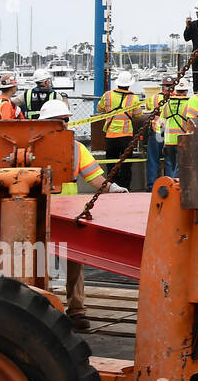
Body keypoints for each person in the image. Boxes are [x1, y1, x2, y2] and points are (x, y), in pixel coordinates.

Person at [40, 99, 127, 331]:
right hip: (40, 210)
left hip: (67, 212)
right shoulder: (32, 147)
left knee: (74, 260)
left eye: (66, 120)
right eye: (60, 121)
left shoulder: (76, 148)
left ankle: (76, 310)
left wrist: (114, 189)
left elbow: (96, 178)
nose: (65, 124)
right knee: (40, 260)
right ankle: (41, 308)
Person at [96, 72, 138, 189]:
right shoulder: (133, 98)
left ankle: (112, 186)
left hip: (111, 135)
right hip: (126, 135)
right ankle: (125, 187)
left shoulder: (108, 95)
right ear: (129, 84)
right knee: (126, 164)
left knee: (111, 163)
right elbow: (138, 114)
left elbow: (99, 108)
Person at [143, 78, 173, 190]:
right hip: (170, 133)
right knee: (170, 160)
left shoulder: (154, 98)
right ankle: (171, 186)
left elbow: (147, 106)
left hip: (157, 132)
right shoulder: (176, 99)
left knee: (153, 159)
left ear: (162, 86)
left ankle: (151, 186)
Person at [159, 78, 189, 178]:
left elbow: (161, 123)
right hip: (182, 140)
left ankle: (172, 186)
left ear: (175, 90)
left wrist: (161, 138)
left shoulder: (167, 104)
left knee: (173, 167)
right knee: (180, 169)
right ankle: (175, 189)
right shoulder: (189, 104)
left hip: (169, 142)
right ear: (186, 91)